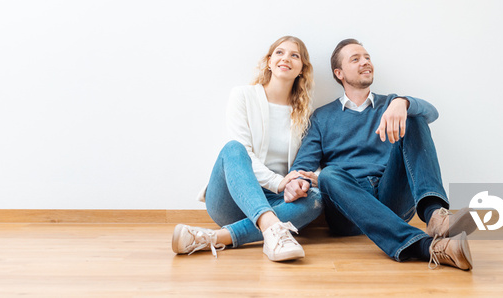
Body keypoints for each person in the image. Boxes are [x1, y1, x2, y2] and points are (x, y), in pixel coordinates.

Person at [284, 39, 477, 270]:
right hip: (348, 207)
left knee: (415, 115)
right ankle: (426, 247)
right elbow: (302, 167)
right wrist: (298, 183)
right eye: (355, 59)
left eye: (367, 57)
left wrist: (403, 102)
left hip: (391, 195)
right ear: (339, 73)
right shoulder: (322, 117)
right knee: (328, 176)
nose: (365, 62)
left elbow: (432, 112)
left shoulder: (391, 104)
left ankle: (435, 215)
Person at [171, 36, 323, 262]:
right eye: (279, 53)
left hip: (276, 201)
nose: (286, 59)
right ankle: (272, 227)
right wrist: (279, 182)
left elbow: (310, 159)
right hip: (232, 199)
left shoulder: (305, 113)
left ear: (302, 68)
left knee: (315, 199)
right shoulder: (242, 96)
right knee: (233, 149)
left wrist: (304, 181)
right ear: (269, 62)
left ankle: (214, 238)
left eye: (295, 55)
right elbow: (243, 152)